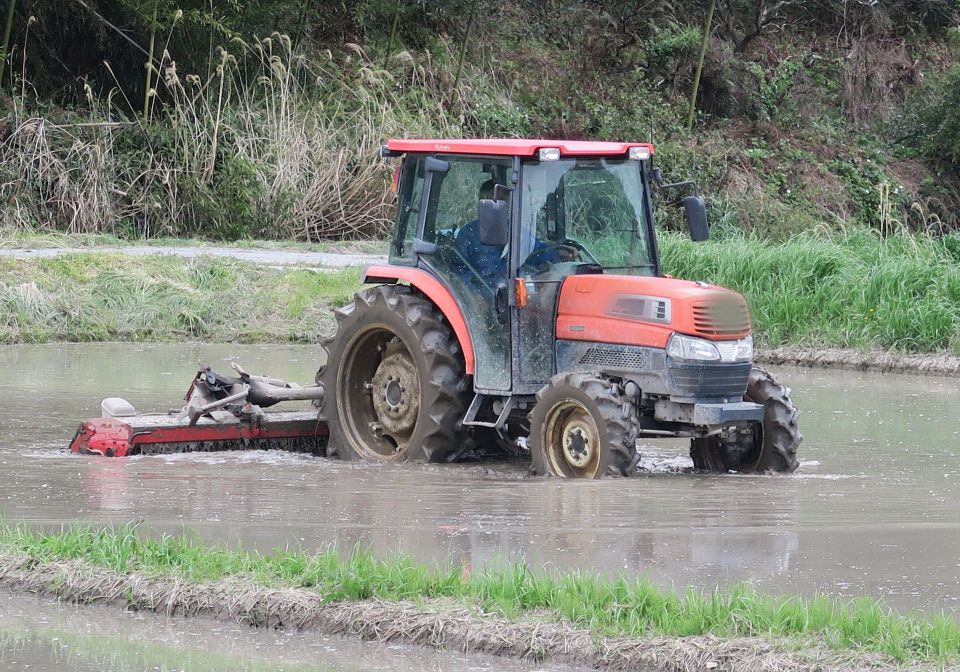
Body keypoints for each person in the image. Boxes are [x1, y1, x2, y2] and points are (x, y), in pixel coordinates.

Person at [455, 179, 577, 285]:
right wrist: (474, 296)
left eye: (507, 202)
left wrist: (559, 252)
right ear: (487, 202)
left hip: (515, 291)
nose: (507, 206)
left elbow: (536, 251)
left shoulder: (518, 231)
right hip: (484, 293)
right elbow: (459, 272)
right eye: (502, 201)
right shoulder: (468, 235)